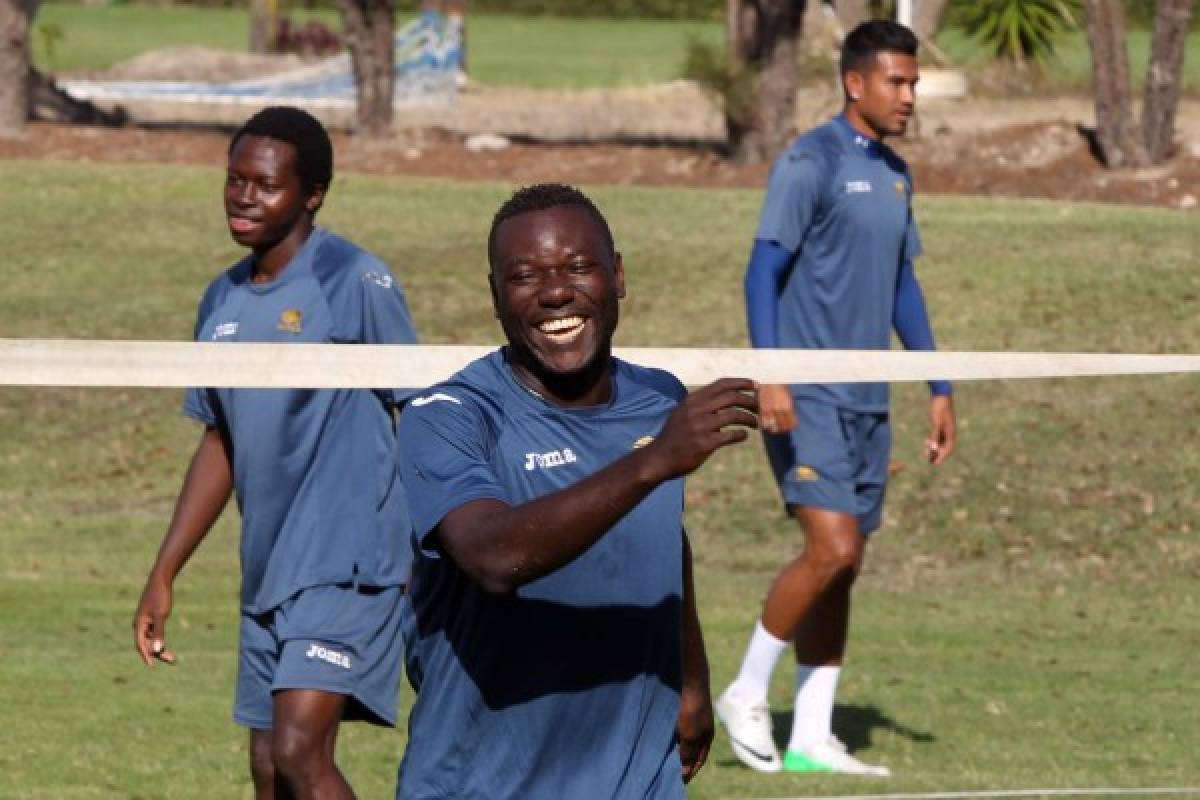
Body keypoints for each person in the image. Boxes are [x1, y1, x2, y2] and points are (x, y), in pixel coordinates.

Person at [394, 183, 757, 799]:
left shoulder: (658, 400)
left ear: (617, 276)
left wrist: (692, 679)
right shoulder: (450, 416)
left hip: (632, 774)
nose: (556, 292)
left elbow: (664, 535)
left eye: (578, 267)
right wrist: (650, 462)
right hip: (481, 782)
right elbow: (492, 557)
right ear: (495, 296)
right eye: (526, 275)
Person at [131, 106, 419, 800]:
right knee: (267, 772)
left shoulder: (354, 279)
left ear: (312, 195)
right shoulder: (221, 300)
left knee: (297, 751)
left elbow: (421, 412)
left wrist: (437, 550)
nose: (243, 197)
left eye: (264, 184)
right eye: (234, 180)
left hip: (349, 563)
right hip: (268, 570)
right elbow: (220, 439)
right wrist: (164, 571)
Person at [715, 20, 957, 777]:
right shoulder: (808, 161)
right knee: (833, 547)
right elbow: (762, 272)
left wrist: (939, 384)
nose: (909, 95)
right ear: (856, 82)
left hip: (868, 402)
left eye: (914, 82)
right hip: (807, 395)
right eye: (897, 81)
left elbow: (901, 286)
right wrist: (772, 373)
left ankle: (811, 736)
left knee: (846, 566)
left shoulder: (894, 173)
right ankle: (746, 691)